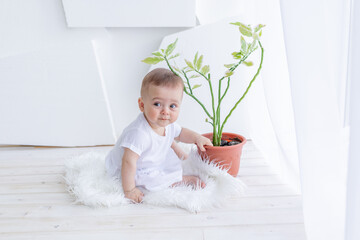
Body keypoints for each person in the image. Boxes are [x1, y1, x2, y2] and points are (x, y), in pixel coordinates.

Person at [105, 68, 213, 203]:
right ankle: (177, 182)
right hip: (130, 169)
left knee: (170, 157)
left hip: (148, 158)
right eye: (157, 104)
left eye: (172, 106)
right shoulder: (139, 134)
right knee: (153, 179)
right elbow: (128, 161)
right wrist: (129, 190)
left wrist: (197, 138)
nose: (165, 112)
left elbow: (181, 133)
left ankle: (174, 171)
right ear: (142, 105)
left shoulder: (166, 123)